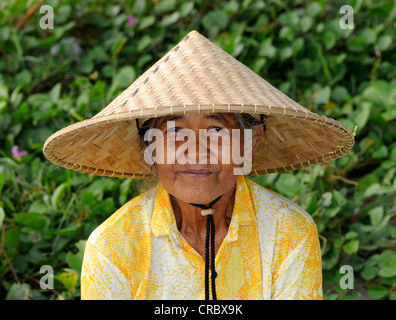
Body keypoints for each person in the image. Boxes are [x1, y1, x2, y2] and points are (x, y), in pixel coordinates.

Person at [43, 30, 355, 300]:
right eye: (174, 132)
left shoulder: (290, 233)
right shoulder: (112, 246)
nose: (195, 152)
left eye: (217, 131)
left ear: (252, 141)